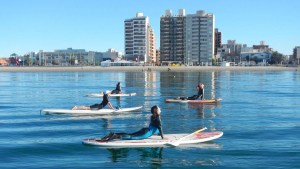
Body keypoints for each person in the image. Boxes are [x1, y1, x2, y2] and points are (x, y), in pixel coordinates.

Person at [99, 105, 164, 141]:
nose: (160, 109)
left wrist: (159, 134)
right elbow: (160, 128)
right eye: (159, 108)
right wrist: (163, 138)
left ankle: (113, 134)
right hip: (146, 133)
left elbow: (156, 129)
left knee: (131, 134)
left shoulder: (153, 117)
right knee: (131, 137)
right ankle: (115, 136)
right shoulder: (158, 118)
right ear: (156, 111)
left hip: (145, 130)